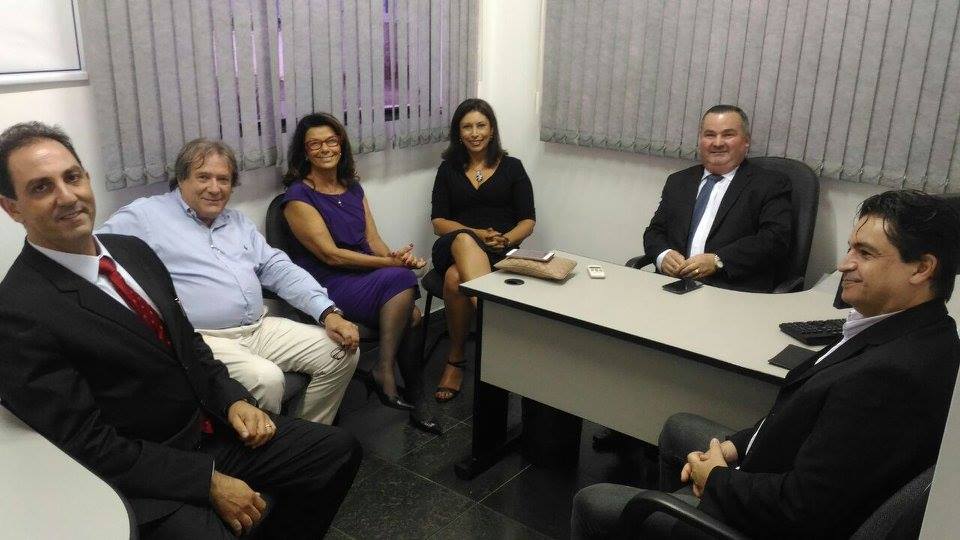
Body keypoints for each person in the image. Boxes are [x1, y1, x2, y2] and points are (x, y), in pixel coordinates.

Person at [0, 121, 361, 539]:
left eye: (73, 177)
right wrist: (204, 480)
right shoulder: (18, 310)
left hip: (207, 426)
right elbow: (85, 442)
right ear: (12, 208)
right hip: (143, 466)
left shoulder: (132, 253)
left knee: (338, 452)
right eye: (41, 188)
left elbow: (187, 343)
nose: (67, 196)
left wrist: (232, 399)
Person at [572, 189, 960, 539]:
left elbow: (802, 509)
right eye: (850, 249)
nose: (844, 264)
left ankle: (679, 522)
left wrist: (716, 479)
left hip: (768, 520)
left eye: (865, 253)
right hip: (774, 468)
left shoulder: (891, 377)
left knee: (593, 503)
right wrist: (732, 448)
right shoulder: (915, 330)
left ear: (922, 268)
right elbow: (799, 418)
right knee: (679, 428)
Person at [98, 138, 360, 425]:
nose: (214, 188)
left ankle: (308, 434)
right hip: (203, 339)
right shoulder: (145, 216)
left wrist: (328, 312)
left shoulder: (237, 222)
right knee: (267, 379)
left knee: (341, 350)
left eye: (223, 179)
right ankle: (265, 449)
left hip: (258, 327)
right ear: (182, 179)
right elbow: (96, 255)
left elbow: (278, 268)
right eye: (203, 177)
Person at [281, 112, 440, 434]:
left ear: (341, 144)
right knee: (405, 294)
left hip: (365, 274)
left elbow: (373, 241)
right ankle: (388, 373)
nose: (325, 149)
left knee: (411, 312)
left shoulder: (352, 187)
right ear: (304, 152)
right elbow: (332, 256)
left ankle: (407, 389)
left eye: (331, 141)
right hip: (329, 282)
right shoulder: (297, 197)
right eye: (315, 144)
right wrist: (392, 267)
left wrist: (396, 257)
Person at [430, 98, 536, 402]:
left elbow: (528, 220)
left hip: (499, 250)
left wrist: (506, 240)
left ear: (492, 130)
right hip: (453, 245)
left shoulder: (513, 167)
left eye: (481, 125)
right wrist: (475, 233)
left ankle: (455, 359)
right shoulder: (448, 169)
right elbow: (439, 223)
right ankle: (496, 322)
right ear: (458, 132)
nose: (474, 133)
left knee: (455, 280)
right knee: (464, 240)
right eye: (467, 127)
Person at [642, 104, 792, 293]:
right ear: (701, 140)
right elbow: (655, 231)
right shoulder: (678, 181)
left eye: (728, 135)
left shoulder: (770, 184)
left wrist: (718, 261)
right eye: (710, 135)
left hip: (731, 290)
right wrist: (662, 255)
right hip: (673, 285)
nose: (718, 143)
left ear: (746, 141)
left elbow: (774, 240)